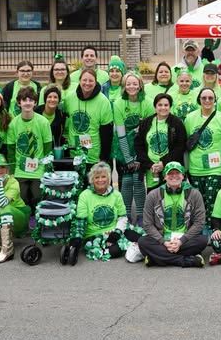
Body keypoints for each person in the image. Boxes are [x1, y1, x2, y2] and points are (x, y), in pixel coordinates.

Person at [69, 162, 144, 263]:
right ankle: (130, 249)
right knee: (115, 251)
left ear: (108, 178)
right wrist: (76, 239)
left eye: (103, 177)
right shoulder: (85, 195)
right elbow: (80, 221)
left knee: (141, 238)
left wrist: (116, 233)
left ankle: (139, 250)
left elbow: (122, 217)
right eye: (97, 177)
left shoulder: (116, 195)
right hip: (95, 234)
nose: (100, 180)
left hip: (114, 229)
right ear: (92, 180)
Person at [139, 161, 209, 268]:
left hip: (184, 239)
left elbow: (199, 222)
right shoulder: (153, 195)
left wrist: (181, 241)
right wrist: (164, 242)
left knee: (202, 240)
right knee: (143, 242)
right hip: (162, 238)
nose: (174, 176)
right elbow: (147, 224)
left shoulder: (194, 194)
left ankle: (156, 258)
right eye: (170, 173)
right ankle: (186, 260)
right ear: (164, 177)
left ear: (183, 176)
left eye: (177, 173)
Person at [184, 87, 221, 216]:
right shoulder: (190, 118)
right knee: (197, 204)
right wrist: (186, 168)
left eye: (210, 98)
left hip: (216, 168)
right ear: (199, 100)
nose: (207, 100)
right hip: (196, 168)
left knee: (212, 201)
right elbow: (187, 146)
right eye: (204, 98)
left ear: (215, 100)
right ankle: (199, 231)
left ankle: (212, 231)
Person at [113, 71, 154, 225]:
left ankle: (141, 216)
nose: (131, 86)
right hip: (124, 147)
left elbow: (147, 133)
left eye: (134, 83)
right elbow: (121, 134)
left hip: (141, 146)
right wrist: (129, 158)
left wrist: (139, 158)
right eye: (128, 84)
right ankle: (126, 215)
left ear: (140, 86)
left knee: (138, 180)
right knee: (126, 181)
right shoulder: (118, 103)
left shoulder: (148, 103)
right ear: (124, 86)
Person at [6, 87, 52, 208]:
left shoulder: (43, 122)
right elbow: (11, 150)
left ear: (35, 102)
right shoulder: (13, 124)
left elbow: (48, 147)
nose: (27, 103)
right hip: (20, 169)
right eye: (24, 100)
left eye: (30, 100)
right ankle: (25, 218)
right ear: (19, 103)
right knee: (22, 195)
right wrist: (11, 172)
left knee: (37, 195)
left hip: (38, 168)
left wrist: (46, 168)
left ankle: (35, 218)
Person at [136, 93, 188, 190]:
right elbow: (139, 146)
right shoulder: (146, 123)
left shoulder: (177, 123)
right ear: (155, 107)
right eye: (160, 105)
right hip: (152, 170)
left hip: (172, 170)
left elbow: (180, 147)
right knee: (155, 201)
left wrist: (163, 163)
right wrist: (150, 165)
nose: (163, 108)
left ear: (170, 106)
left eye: (166, 105)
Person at [63, 69, 113, 168]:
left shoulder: (103, 101)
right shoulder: (69, 98)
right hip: (73, 155)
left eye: (91, 81)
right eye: (84, 80)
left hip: (94, 157)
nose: (87, 83)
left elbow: (107, 133)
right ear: (79, 81)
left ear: (95, 82)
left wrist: (103, 158)